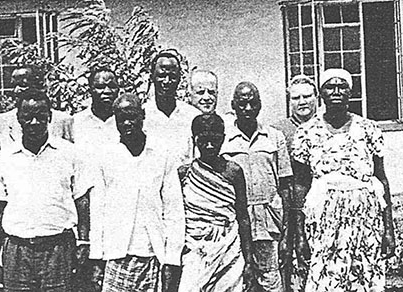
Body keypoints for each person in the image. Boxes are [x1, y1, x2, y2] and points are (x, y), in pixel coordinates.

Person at [292, 68, 396, 292]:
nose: (336, 91)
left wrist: (389, 230)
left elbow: (382, 180)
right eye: (330, 86)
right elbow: (300, 185)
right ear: (321, 93)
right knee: (325, 281)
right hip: (323, 223)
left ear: (350, 92)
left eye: (342, 87)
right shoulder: (306, 133)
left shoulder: (369, 129)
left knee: (364, 280)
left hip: (365, 221)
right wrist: (299, 234)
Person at [0, 88, 92, 292]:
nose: (34, 123)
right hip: (17, 252)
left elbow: (82, 201)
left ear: (49, 117)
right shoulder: (5, 159)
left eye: (40, 117)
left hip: (58, 249)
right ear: (18, 119)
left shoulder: (69, 154)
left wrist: (83, 242)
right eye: (28, 117)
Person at [89, 93, 185, 292]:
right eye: (121, 119)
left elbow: (174, 211)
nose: (127, 123)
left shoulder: (162, 153)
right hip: (116, 255)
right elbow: (97, 210)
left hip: (153, 255)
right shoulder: (105, 156)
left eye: (132, 116)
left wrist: (172, 260)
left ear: (142, 115)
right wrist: (97, 257)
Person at [221, 81, 293, 292]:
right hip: (235, 222)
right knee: (238, 279)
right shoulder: (223, 138)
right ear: (233, 105)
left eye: (253, 103)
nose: (248, 109)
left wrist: (287, 233)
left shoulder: (274, 137)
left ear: (260, 105)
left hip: (269, 223)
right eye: (242, 104)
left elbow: (286, 186)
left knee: (271, 280)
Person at [177, 113, 255, 292]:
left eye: (215, 139)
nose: (210, 145)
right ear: (194, 140)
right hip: (195, 250)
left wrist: (249, 261)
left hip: (228, 247)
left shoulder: (233, 172)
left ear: (223, 139)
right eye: (203, 140)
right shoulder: (184, 173)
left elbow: (243, 217)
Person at [271, 74, 318, 292]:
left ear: (316, 97)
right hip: (289, 205)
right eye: (296, 97)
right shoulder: (277, 131)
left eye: (307, 96)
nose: (302, 102)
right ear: (289, 101)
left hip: (321, 203)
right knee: (287, 254)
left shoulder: (326, 126)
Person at [0, 65, 73, 157]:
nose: (16, 90)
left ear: (39, 86)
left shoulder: (63, 120)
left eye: (23, 85)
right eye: (13, 86)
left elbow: (72, 156)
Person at [143, 49, 201, 163]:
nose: (167, 81)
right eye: (162, 75)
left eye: (172, 76)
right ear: (152, 77)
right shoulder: (142, 115)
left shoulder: (193, 117)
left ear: (179, 78)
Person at [73, 67, 120, 147]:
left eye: (112, 86)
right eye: (100, 87)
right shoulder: (76, 122)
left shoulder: (125, 122)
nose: (107, 91)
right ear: (90, 90)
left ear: (118, 89)